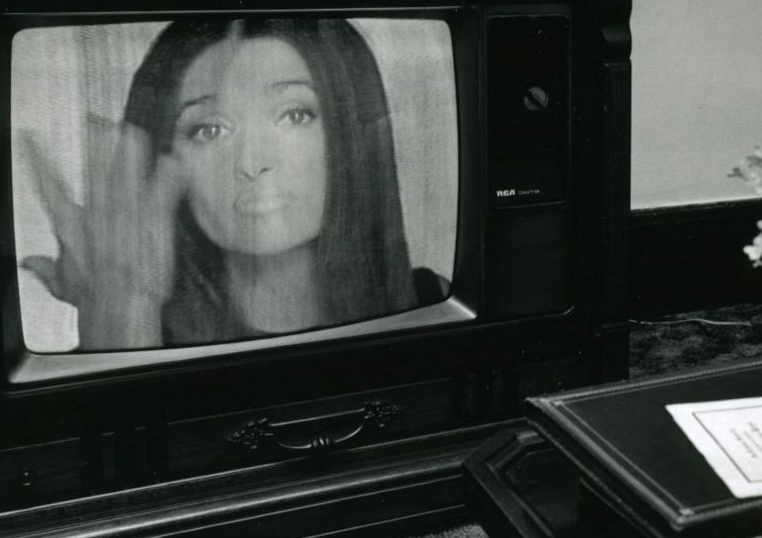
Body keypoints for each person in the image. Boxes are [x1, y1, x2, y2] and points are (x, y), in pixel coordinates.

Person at [23, 18, 446, 349]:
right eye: (210, 129)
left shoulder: (429, 299)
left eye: (294, 115)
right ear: (167, 158)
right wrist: (127, 318)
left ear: (349, 136)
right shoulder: (129, 325)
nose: (251, 163)